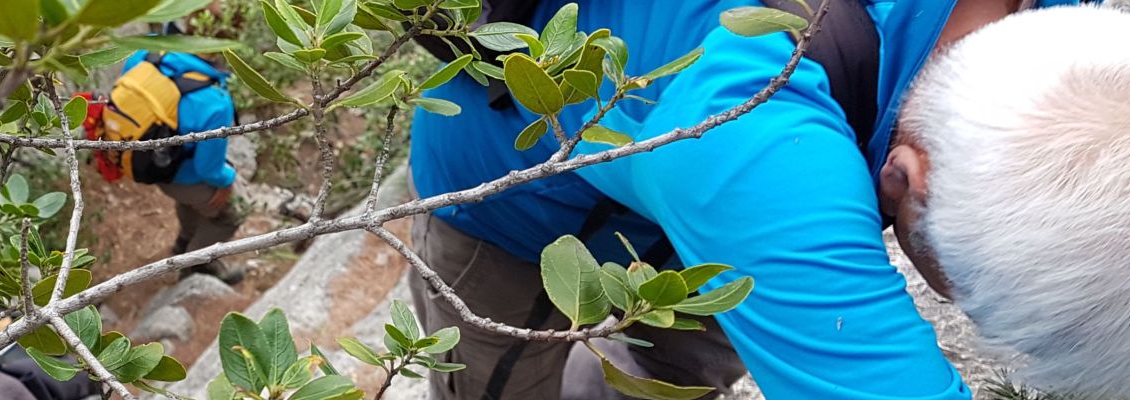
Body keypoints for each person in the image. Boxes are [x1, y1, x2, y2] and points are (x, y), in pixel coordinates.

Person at [405, 0, 1130, 399]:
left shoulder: (1066, 33)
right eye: (966, 295)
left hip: (708, 196)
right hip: (507, 194)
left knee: (687, 367)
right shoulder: (760, 144)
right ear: (901, 182)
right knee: (498, 385)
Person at [82, 48, 247, 285]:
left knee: (191, 200)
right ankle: (197, 264)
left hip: (144, 164)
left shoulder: (144, 56)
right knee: (234, 213)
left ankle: (183, 242)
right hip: (181, 175)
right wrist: (228, 180)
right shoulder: (215, 102)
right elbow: (208, 170)